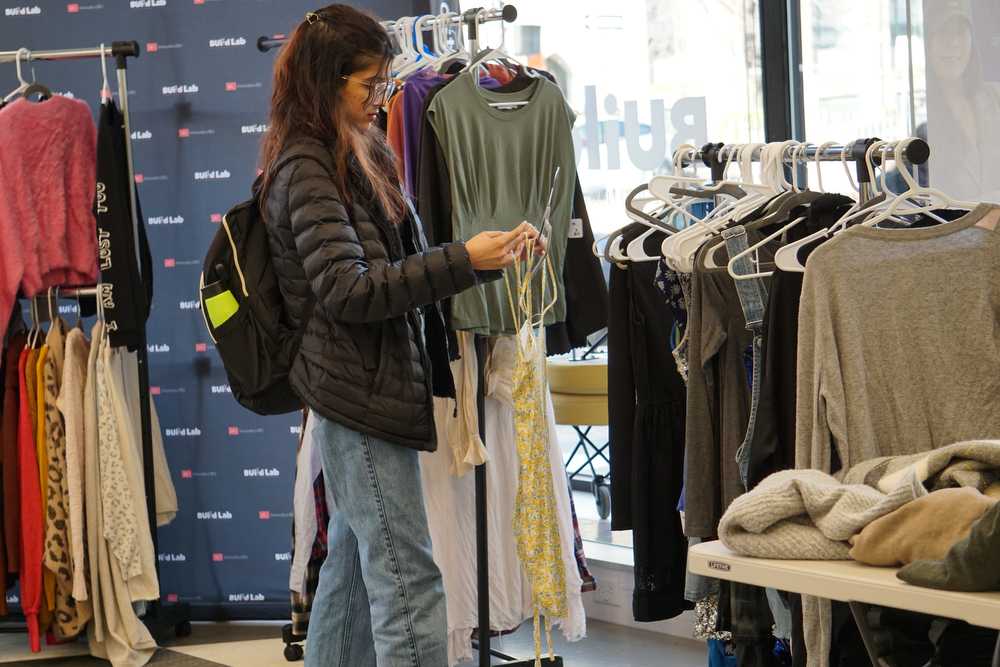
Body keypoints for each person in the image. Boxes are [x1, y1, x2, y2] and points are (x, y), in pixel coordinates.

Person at [257, 5, 544, 666]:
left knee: (358, 575)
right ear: (326, 82)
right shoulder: (308, 168)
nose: (381, 97)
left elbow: (385, 267)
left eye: (383, 84)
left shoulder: (354, 152)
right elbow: (350, 289)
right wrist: (465, 259)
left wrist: (478, 256)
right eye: (368, 85)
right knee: (407, 584)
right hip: (357, 397)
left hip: (369, 389)